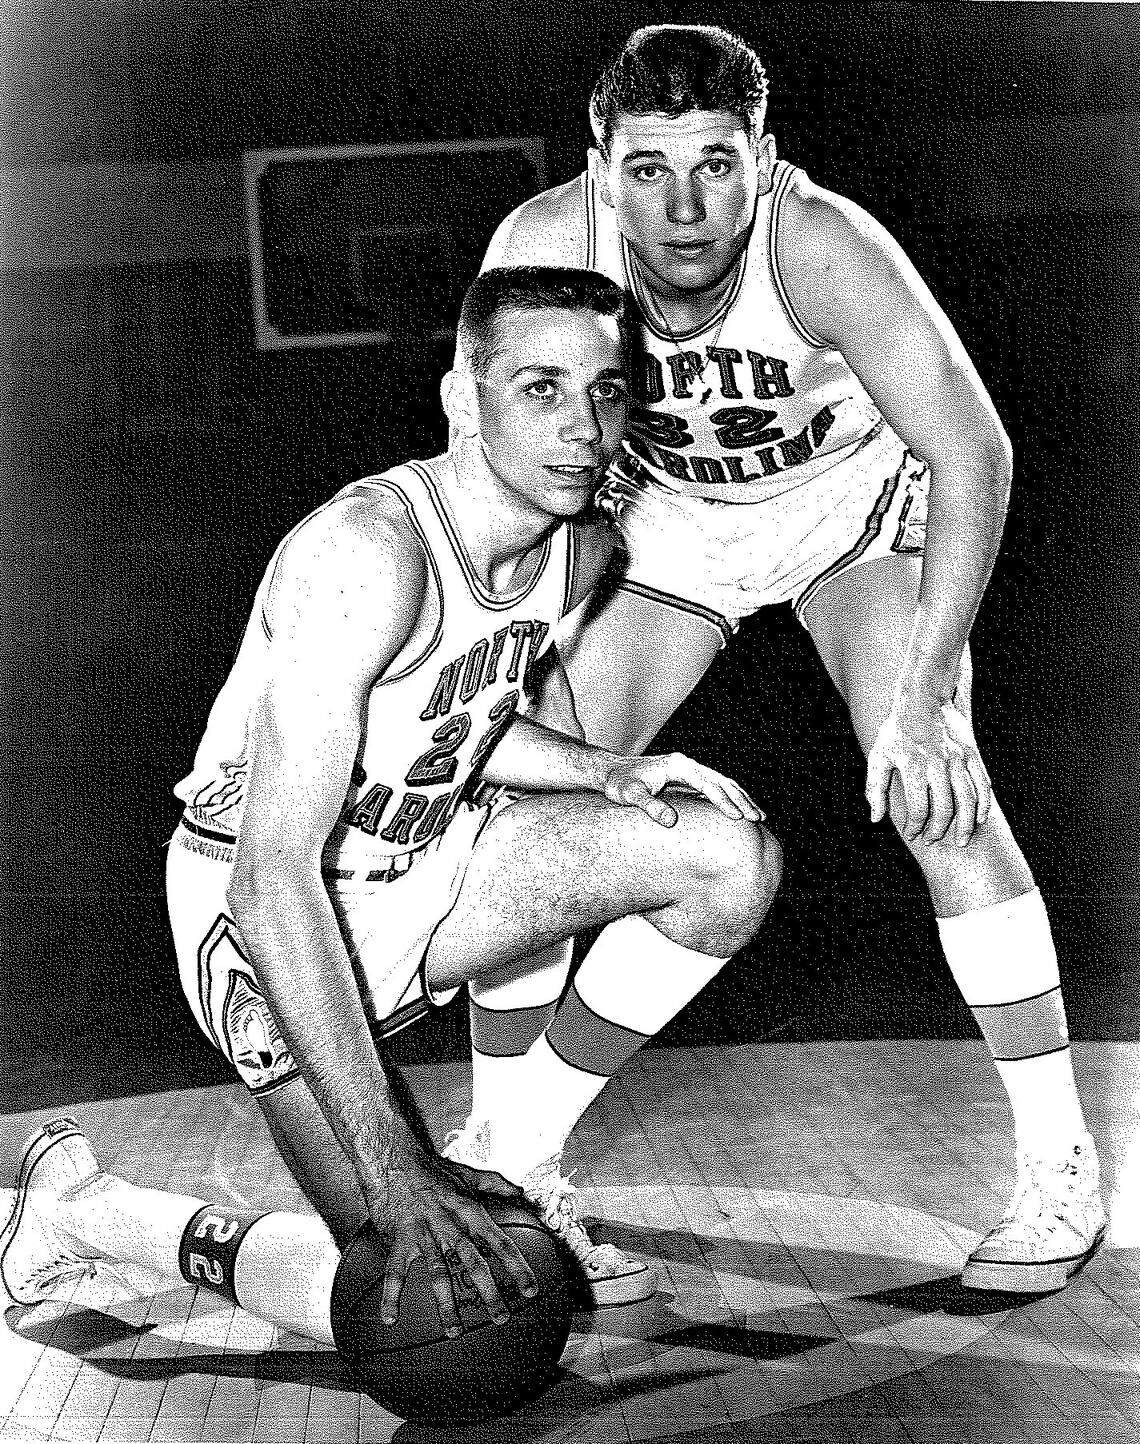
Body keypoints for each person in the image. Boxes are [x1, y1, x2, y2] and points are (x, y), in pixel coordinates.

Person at [0, 267, 783, 1342]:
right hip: (268, 917)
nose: (584, 426)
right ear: (465, 400)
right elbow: (269, 879)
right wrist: (398, 1166)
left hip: (433, 865)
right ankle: (94, 1214)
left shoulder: (584, 541)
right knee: (421, 1321)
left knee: (724, 857)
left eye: (607, 390)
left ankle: (509, 1145)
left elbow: (454, 715)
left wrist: (603, 771)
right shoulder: (365, 553)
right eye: (541, 388)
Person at [446, 26, 1106, 1294]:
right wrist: (499, 640)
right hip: (661, 532)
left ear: (766, 158)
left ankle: (1057, 1163)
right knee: (541, 798)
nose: (685, 208)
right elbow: (492, 456)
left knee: (936, 792)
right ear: (599, 167)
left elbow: (976, 453)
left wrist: (925, 697)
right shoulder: (543, 250)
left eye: (715, 164)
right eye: (648, 169)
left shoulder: (823, 248)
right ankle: (512, 1154)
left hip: (843, 521)